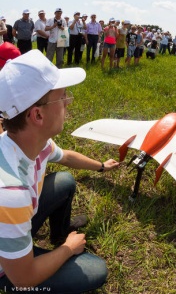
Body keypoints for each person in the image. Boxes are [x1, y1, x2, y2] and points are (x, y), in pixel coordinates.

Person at [0, 49, 120, 292]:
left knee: (64, 180)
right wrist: (68, 249)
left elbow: (66, 157)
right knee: (96, 269)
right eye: (63, 96)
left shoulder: (31, 143)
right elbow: (23, 279)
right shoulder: (10, 192)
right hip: (10, 272)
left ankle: (57, 235)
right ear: (37, 115)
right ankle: (58, 244)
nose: (68, 101)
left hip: (15, 221)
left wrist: (101, 166)